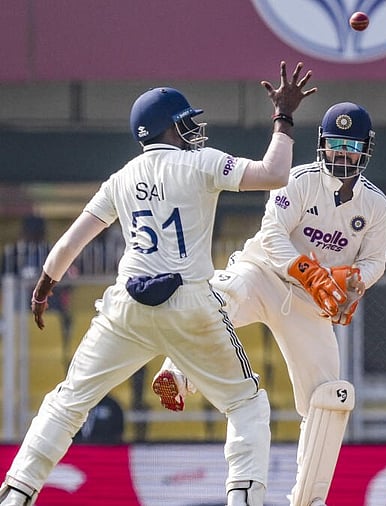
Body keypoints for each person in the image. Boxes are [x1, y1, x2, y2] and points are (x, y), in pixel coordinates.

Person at [0, 61, 316, 506]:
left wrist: (44, 286)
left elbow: (69, 244)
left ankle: (16, 491)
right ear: (165, 128)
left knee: (68, 401)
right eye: (185, 122)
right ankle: (244, 498)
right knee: (246, 404)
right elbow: (274, 174)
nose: (193, 129)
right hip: (190, 301)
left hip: (126, 306)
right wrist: (283, 117)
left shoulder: (121, 178)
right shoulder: (200, 162)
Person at [151, 102, 386, 506]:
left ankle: (308, 499)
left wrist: (353, 282)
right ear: (322, 145)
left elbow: (375, 261)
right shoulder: (299, 181)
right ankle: (178, 372)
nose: (341, 154)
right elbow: (273, 233)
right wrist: (308, 271)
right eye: (334, 144)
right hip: (264, 274)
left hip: (310, 304)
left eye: (350, 146)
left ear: (365, 150)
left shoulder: (375, 205)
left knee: (329, 396)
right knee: (220, 293)